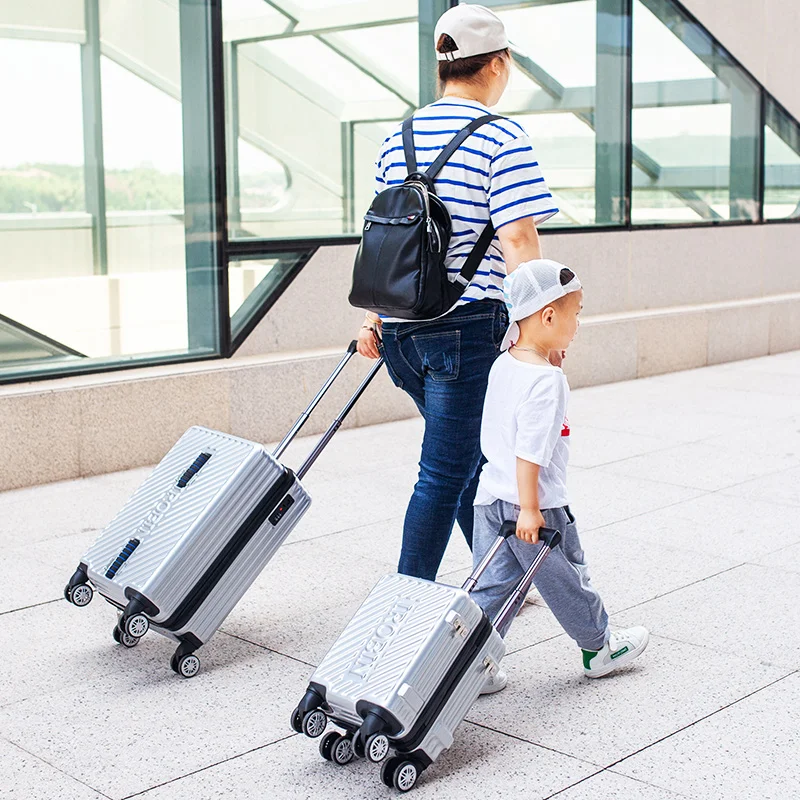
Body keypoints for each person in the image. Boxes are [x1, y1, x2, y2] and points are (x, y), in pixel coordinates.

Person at [356, 4, 559, 581]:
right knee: (445, 472)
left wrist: (373, 318)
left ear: (443, 66)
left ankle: (501, 574)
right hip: (464, 332)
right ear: (499, 64)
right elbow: (519, 238)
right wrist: (539, 329)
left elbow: (386, 241)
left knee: (467, 455)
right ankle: (401, 604)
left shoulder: (397, 138)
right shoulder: (501, 135)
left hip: (400, 336)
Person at [470, 259, 649, 693]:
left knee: (492, 589)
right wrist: (531, 510)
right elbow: (530, 453)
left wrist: (549, 354)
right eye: (576, 313)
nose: (579, 323)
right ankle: (598, 648)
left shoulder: (505, 363)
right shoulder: (547, 382)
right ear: (549, 316)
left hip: (489, 500)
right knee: (569, 578)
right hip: (536, 508)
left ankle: (474, 665)